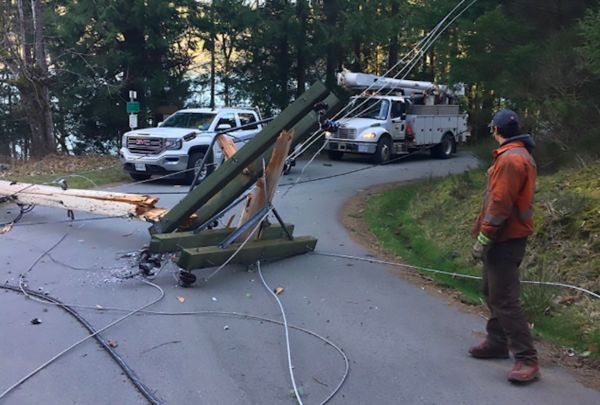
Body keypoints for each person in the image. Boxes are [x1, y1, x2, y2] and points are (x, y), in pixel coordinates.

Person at [470, 109, 539, 383]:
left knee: (505, 300)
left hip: (505, 239)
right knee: (491, 291)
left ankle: (527, 359)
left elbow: (500, 204)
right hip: (504, 236)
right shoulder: (516, 154)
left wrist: (484, 238)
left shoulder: (511, 159)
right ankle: (497, 341)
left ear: (496, 131)